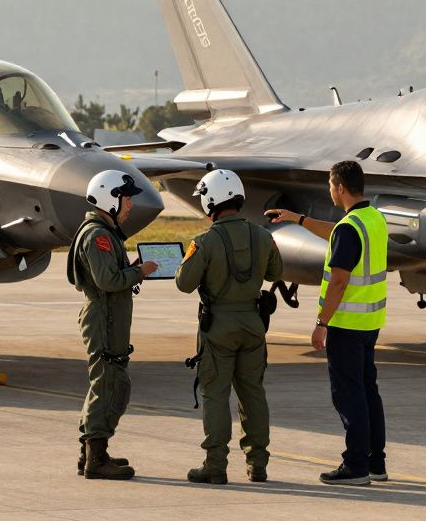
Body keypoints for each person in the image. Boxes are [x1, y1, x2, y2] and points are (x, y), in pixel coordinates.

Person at [267, 160, 387, 486]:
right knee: (368, 392)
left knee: (349, 396)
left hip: (346, 325)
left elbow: (339, 281)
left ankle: (356, 466)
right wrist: (297, 219)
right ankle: (375, 463)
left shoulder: (350, 228)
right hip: (370, 322)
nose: (329, 190)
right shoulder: (372, 219)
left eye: (331, 185)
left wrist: (322, 322)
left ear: (340, 188)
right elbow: (336, 232)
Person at [176, 169, 284, 485]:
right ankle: (258, 463)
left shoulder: (204, 242)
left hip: (218, 327)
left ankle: (215, 465)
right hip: (253, 325)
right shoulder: (263, 236)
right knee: (253, 393)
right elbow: (276, 272)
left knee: (215, 394)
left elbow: (184, 283)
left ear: (211, 201)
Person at [67, 170, 159, 480]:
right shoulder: (99, 236)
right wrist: (140, 271)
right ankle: (96, 459)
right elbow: (107, 280)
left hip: (108, 318)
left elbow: (109, 275)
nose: (130, 205)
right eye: (126, 198)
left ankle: (91, 453)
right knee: (110, 385)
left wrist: (131, 270)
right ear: (110, 199)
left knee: (104, 384)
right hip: (104, 319)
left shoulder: (104, 232)